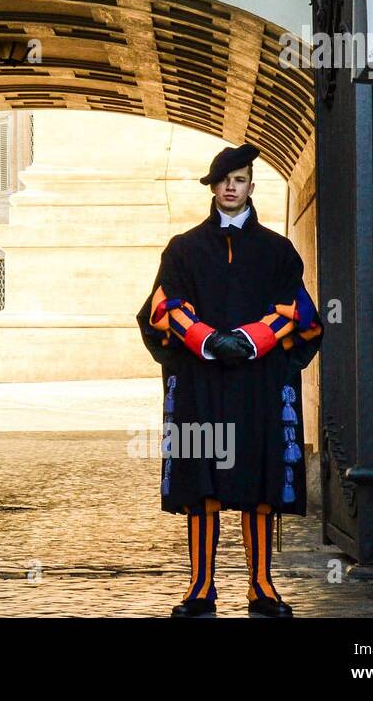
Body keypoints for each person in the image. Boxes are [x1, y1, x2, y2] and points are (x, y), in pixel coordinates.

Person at [136, 143, 322, 618]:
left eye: (239, 179)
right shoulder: (183, 249)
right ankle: (200, 586)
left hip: (259, 384)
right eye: (223, 181)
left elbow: (299, 313)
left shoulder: (278, 250)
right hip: (203, 385)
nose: (231, 187)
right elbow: (162, 307)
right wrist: (207, 340)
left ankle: (262, 585)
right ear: (213, 188)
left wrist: (251, 339)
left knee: (259, 483)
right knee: (204, 484)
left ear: (250, 186)